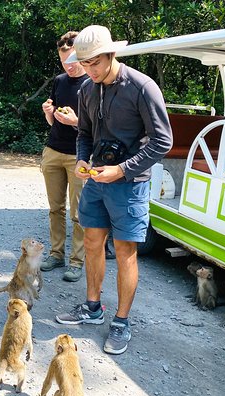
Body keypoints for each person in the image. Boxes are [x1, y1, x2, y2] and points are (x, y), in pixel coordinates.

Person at [54, 25, 172, 355]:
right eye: (84, 63)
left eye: (93, 63)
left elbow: (163, 141)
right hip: (96, 179)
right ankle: (92, 308)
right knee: (92, 241)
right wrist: (81, 159)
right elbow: (84, 134)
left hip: (129, 185)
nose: (88, 70)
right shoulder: (87, 90)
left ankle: (121, 321)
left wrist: (122, 169)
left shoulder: (142, 87)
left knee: (125, 252)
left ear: (110, 54)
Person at [39, 31, 89, 283]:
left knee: (79, 213)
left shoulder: (93, 82)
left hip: (79, 156)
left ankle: (76, 262)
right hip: (53, 150)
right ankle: (56, 254)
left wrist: (75, 121)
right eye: (63, 62)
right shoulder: (59, 81)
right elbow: (53, 122)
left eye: (73, 61)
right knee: (55, 209)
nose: (69, 67)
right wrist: (49, 113)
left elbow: (99, 128)